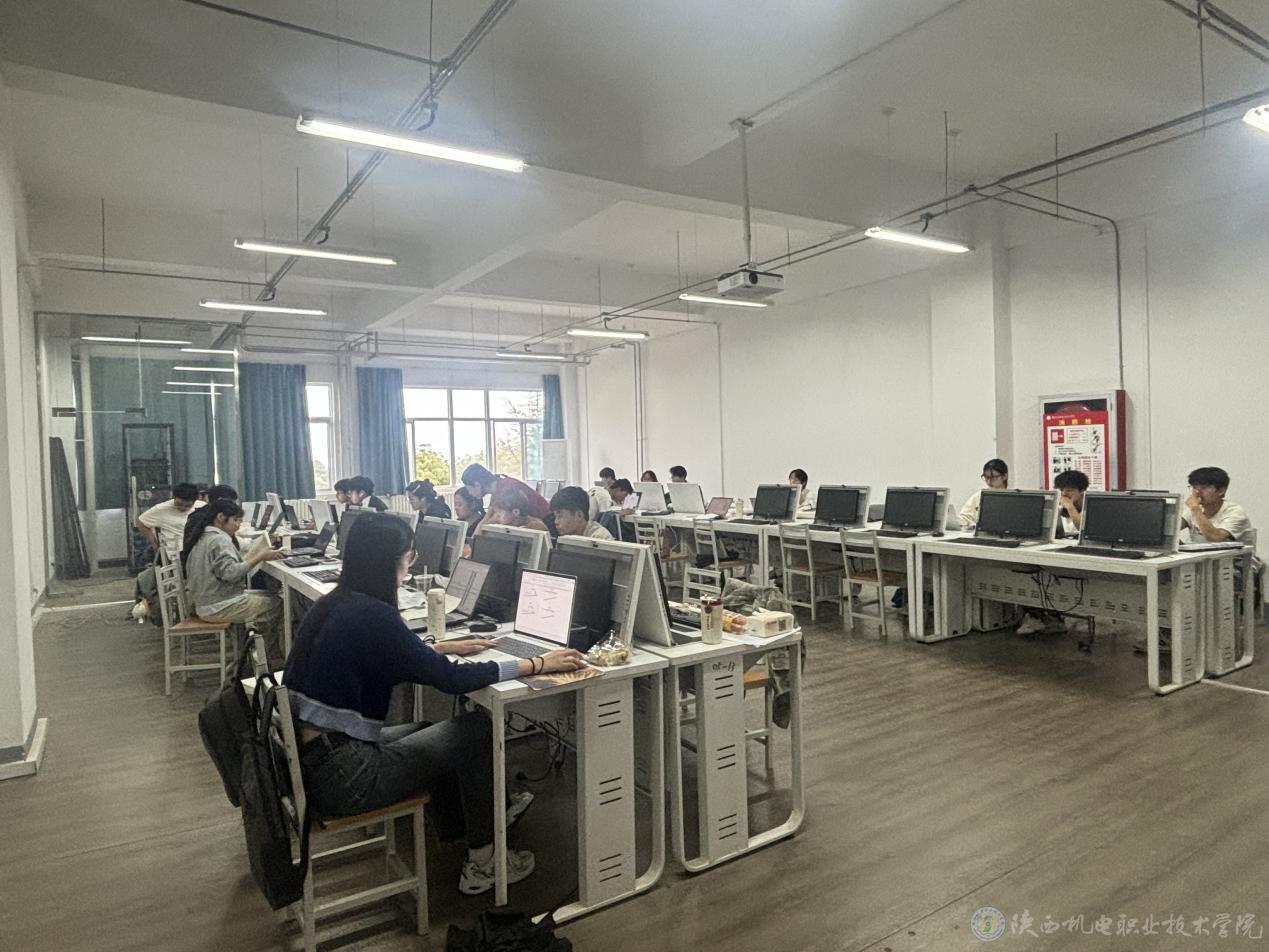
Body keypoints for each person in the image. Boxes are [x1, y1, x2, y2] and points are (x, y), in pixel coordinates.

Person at [281, 513, 585, 894]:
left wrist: (437, 647)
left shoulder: (336, 604)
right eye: (408, 558)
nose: (409, 568)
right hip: (346, 777)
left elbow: (392, 655)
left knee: (430, 730)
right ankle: (484, 863)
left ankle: (473, 827)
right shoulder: (373, 615)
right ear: (387, 562)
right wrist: (536, 664)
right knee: (477, 730)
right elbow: (451, 679)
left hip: (318, 761)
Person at [180, 499, 287, 656]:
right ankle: (263, 656)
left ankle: (257, 651)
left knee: (270, 595)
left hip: (207, 602)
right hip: (218, 606)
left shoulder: (204, 537)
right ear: (221, 517)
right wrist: (260, 556)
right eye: (236, 520)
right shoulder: (219, 540)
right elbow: (231, 574)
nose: (238, 525)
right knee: (279, 604)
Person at [1181, 466, 1253, 542]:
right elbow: (1172, 528)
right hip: (1200, 550)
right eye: (1194, 487)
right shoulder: (1193, 510)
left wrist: (1195, 509)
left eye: (1203, 487)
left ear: (1221, 491)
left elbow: (1215, 538)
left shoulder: (1235, 512)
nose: (1197, 492)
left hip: (1230, 550)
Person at [137, 482, 201, 564]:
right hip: (175, 553)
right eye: (179, 504)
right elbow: (141, 523)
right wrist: (155, 545)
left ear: (195, 501)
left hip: (197, 550)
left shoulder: (201, 507)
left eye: (188, 506)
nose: (182, 508)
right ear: (173, 497)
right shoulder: (161, 509)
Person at [461, 463, 550, 521]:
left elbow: (490, 520)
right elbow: (487, 519)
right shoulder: (497, 489)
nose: (470, 493)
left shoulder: (506, 489)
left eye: (469, 489)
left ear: (477, 485)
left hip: (544, 521)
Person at [958, 459, 1009, 528]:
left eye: (993, 477)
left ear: (1004, 476)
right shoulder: (978, 496)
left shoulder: (1014, 498)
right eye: (986, 477)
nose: (989, 481)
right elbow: (964, 517)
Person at [482, 484, 550, 534]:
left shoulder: (536, 527)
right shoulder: (509, 523)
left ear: (516, 512)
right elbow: (481, 532)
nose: (496, 516)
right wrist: (491, 521)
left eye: (499, 514)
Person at [1053, 470, 1090, 537]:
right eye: (1061, 490)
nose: (1064, 494)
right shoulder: (1058, 509)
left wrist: (1070, 507)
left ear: (1082, 491)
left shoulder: (1090, 509)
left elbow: (1085, 532)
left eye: (1069, 490)